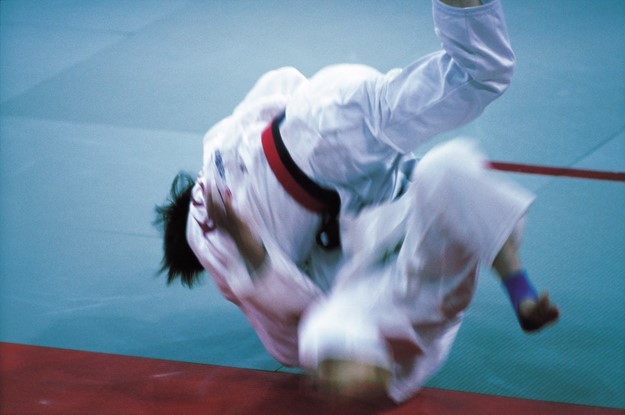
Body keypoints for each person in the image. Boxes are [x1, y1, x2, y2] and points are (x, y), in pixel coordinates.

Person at [154, 0, 559, 403]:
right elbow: (281, 83)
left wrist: (244, 239)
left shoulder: (207, 230)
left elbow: (285, 326)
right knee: (449, 160)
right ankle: (519, 288)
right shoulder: (222, 147)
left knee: (322, 330)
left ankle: (507, 294)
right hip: (324, 117)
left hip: (321, 146)